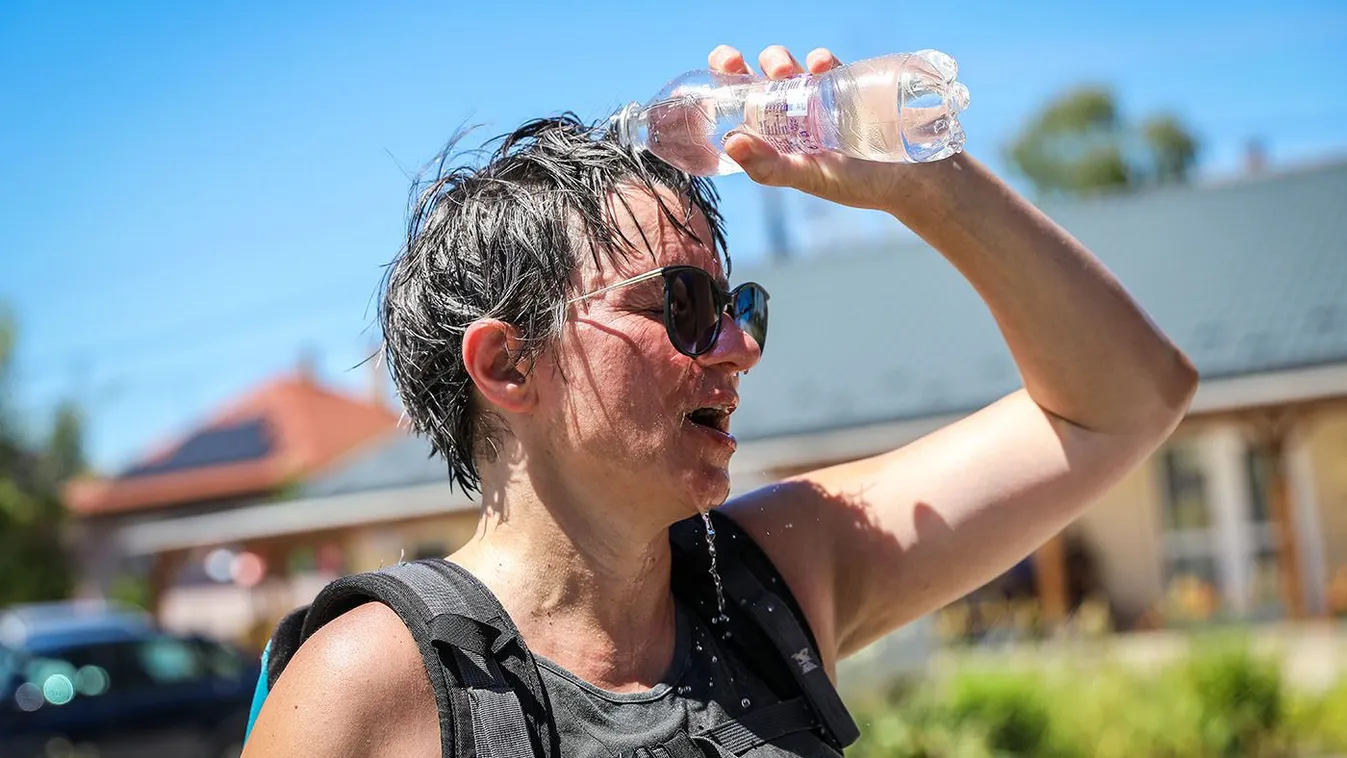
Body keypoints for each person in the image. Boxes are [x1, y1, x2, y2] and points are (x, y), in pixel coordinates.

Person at [241, 43, 1198, 757]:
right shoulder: (377, 683)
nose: (740, 347)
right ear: (506, 367)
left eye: (740, 306)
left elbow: (1125, 399)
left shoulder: (772, 584)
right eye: (684, 306)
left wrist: (926, 187)